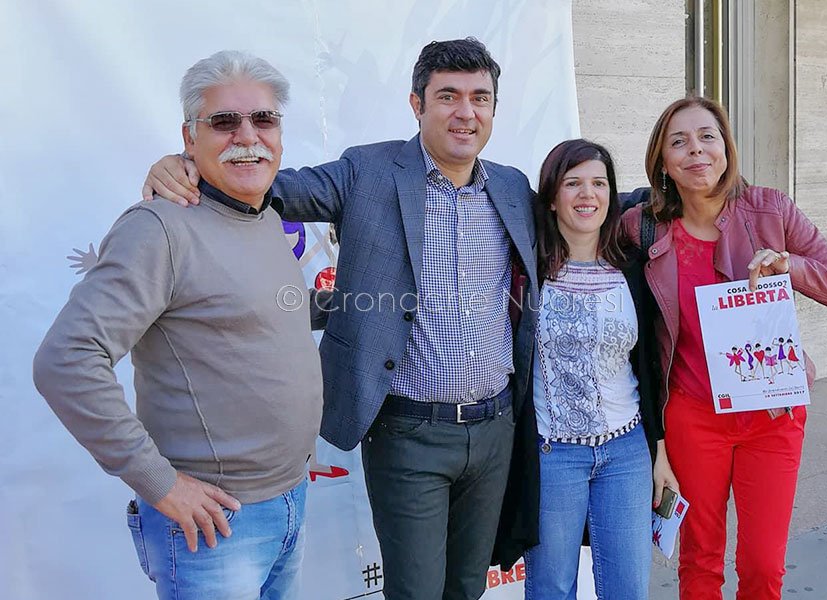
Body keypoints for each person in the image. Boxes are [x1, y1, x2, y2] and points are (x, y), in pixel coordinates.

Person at [142, 38, 538, 600]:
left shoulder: (513, 187)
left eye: (480, 97)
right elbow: (264, 183)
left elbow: (587, 210)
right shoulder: (368, 171)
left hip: (496, 428)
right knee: (417, 591)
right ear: (416, 104)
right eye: (447, 96)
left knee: (467, 588)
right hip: (409, 432)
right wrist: (185, 165)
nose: (465, 112)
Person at [33, 51, 323, 600]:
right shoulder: (159, 229)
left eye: (263, 119)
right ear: (189, 138)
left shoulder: (263, 215)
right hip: (215, 526)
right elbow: (65, 360)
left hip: (290, 499)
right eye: (224, 121)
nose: (248, 135)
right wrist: (160, 484)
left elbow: (258, 312)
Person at [621, 96, 827, 600]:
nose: (697, 151)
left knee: (762, 566)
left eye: (707, 137)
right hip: (693, 417)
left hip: (772, 416)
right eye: (679, 141)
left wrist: (790, 267)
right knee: (699, 562)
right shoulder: (641, 227)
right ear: (662, 160)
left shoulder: (771, 210)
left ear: (727, 147)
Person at [519, 138, 678, 599]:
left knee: (627, 589)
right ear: (552, 196)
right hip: (554, 456)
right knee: (551, 589)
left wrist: (659, 450)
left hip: (625, 452)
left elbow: (646, 367)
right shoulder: (526, 271)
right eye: (573, 183)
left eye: (598, 183)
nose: (587, 194)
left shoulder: (631, 269)